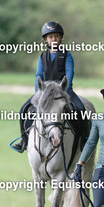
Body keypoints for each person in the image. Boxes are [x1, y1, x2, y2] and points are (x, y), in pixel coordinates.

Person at [10, 21, 88, 153]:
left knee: (80, 109)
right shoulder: (42, 56)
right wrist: (38, 93)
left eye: (56, 36)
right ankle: (24, 139)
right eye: (51, 37)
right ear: (46, 39)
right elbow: (38, 75)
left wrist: (64, 89)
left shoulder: (67, 55)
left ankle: (84, 139)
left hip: (63, 91)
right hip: (45, 92)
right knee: (24, 109)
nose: (54, 39)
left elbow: (69, 73)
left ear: (61, 38)